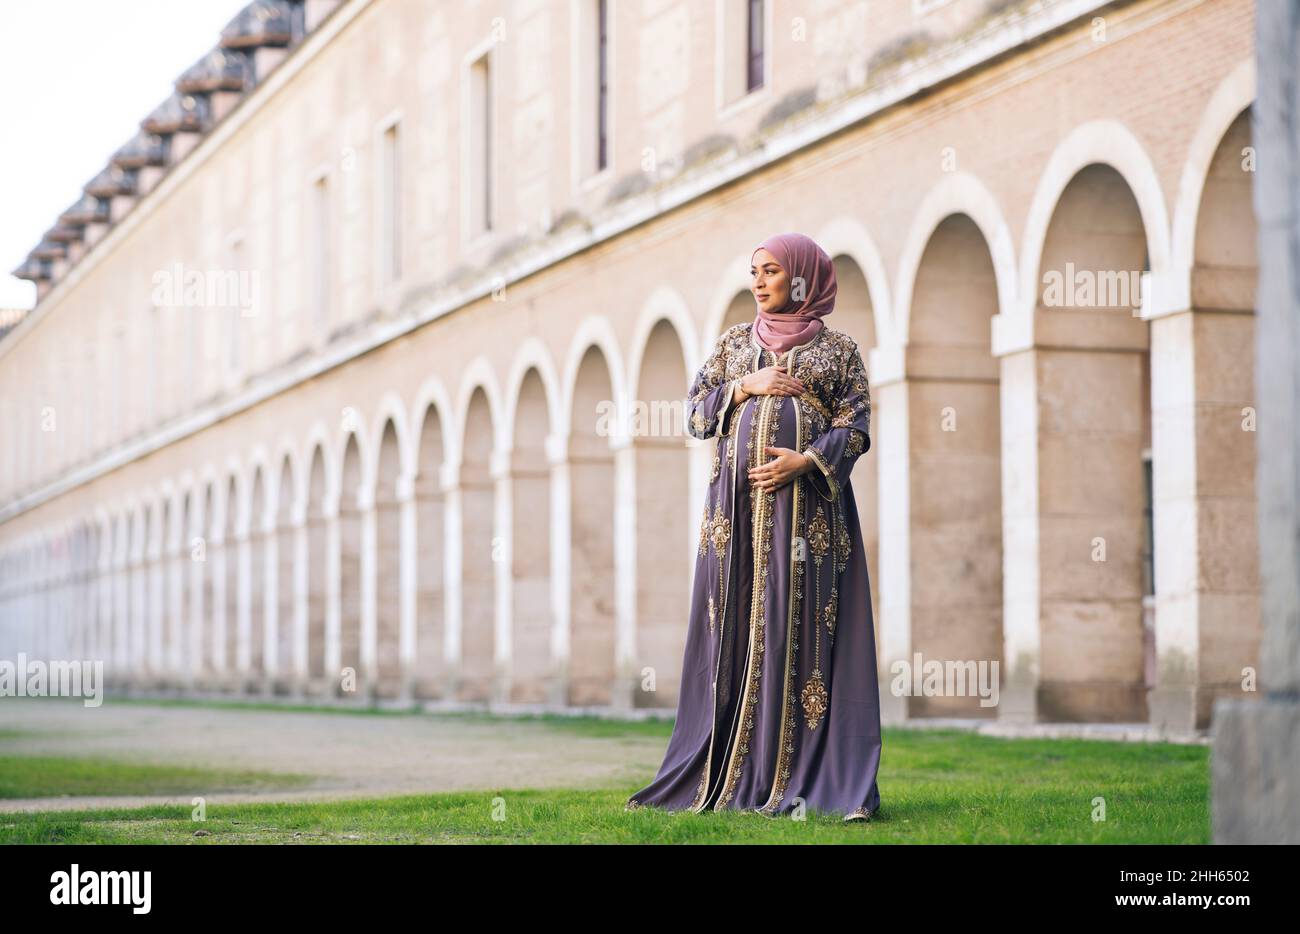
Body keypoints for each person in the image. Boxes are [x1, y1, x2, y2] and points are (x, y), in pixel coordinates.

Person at [626, 231, 882, 821]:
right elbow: (694, 413)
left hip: (809, 519)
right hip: (736, 521)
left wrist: (807, 459)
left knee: (804, 633)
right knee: (738, 627)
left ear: (802, 278)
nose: (759, 281)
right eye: (754, 271)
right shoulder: (733, 345)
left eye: (770, 270)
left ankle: (813, 778)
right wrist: (744, 386)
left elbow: (859, 423)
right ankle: (733, 773)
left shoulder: (839, 351)